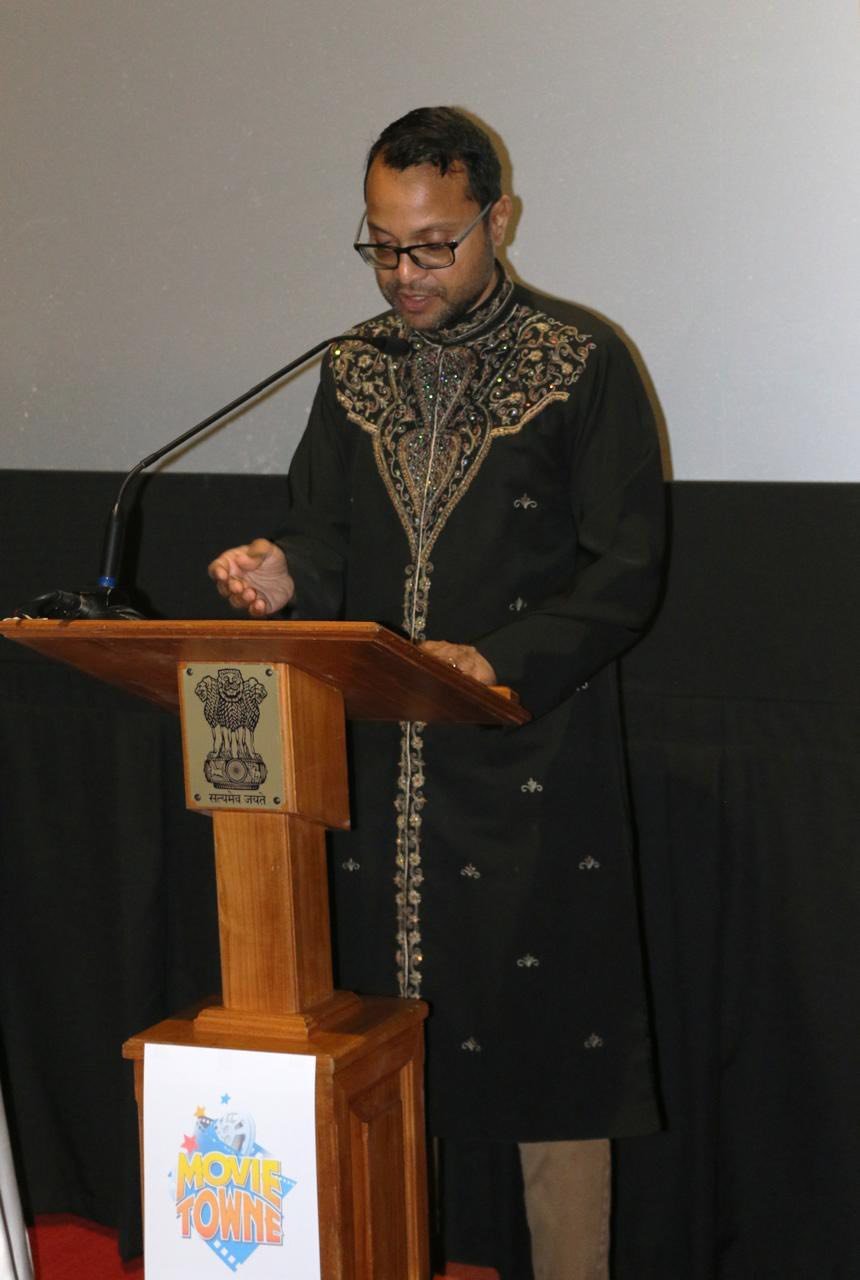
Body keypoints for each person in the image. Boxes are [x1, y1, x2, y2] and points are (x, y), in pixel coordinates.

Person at [209, 106, 665, 1280]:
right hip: (374, 781)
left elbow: (624, 569)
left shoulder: (580, 361)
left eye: (431, 246)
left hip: (526, 770)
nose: (402, 273)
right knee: (372, 1056)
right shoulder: (351, 368)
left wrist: (497, 659)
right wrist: (281, 569)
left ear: (495, 219)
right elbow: (322, 532)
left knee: (550, 1066)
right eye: (381, 244)